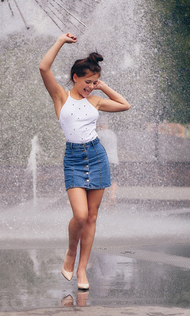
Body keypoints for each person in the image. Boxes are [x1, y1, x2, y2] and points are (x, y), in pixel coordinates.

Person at [39, 33, 130, 290]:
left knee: (91, 217)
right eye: (87, 81)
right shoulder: (60, 96)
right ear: (75, 77)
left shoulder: (96, 100)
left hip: (97, 157)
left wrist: (103, 87)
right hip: (74, 159)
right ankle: (70, 253)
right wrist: (59, 41)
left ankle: (82, 270)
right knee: (79, 216)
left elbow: (125, 105)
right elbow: (43, 67)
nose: (90, 86)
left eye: (94, 82)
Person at [98, 117, 119, 206]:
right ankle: (112, 196)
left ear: (100, 125)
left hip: (104, 160)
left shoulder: (99, 134)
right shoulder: (113, 134)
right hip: (114, 160)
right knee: (114, 179)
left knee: (104, 180)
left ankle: (107, 199)